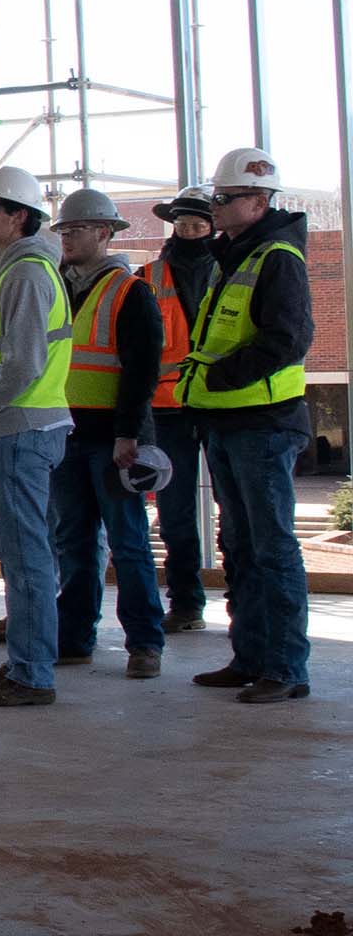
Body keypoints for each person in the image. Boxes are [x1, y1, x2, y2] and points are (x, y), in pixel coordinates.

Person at [181, 147, 314, 705]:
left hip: (261, 420)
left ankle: (284, 668)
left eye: (226, 198)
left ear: (258, 201)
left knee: (271, 546)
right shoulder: (234, 254)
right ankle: (252, 657)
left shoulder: (276, 257)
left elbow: (288, 339)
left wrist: (221, 379)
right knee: (239, 544)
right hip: (230, 420)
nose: (216, 206)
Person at [0, 166, 75, 709]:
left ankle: (32, 674)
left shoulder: (26, 274)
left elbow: (21, 363)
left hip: (21, 426)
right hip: (31, 424)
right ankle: (28, 659)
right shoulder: (23, 271)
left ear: (19, 216)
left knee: (26, 556)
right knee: (26, 553)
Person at [48, 189, 167, 679]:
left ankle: (144, 644)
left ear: (104, 232)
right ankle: (74, 638)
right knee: (72, 541)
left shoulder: (130, 292)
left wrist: (128, 434)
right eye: (63, 232)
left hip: (110, 440)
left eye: (74, 231)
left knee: (129, 542)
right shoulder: (57, 287)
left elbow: (141, 371)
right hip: (66, 432)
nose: (67, 239)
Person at [145, 185, 220, 630]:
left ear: (212, 227)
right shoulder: (150, 275)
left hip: (220, 404)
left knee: (236, 511)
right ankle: (186, 602)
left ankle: (240, 602)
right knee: (174, 511)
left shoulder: (230, 271)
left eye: (198, 224)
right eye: (182, 224)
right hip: (166, 407)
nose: (189, 232)